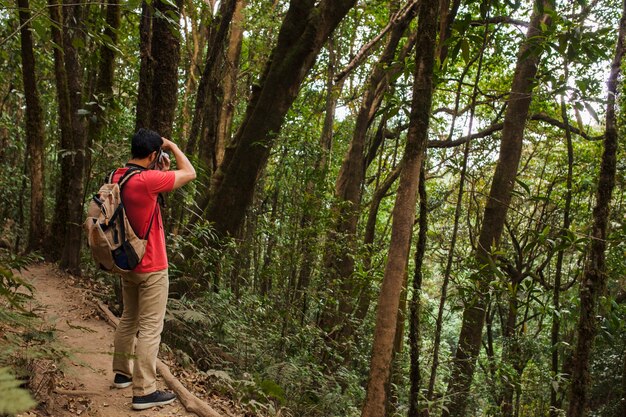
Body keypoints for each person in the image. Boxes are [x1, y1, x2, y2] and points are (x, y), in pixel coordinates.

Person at [110, 128, 196, 410]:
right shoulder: (148, 181)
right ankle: (144, 391)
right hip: (152, 265)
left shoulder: (118, 176)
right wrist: (171, 145)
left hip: (127, 261)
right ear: (152, 154)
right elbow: (190, 172)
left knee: (128, 318)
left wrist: (158, 165)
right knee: (149, 328)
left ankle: (122, 373)